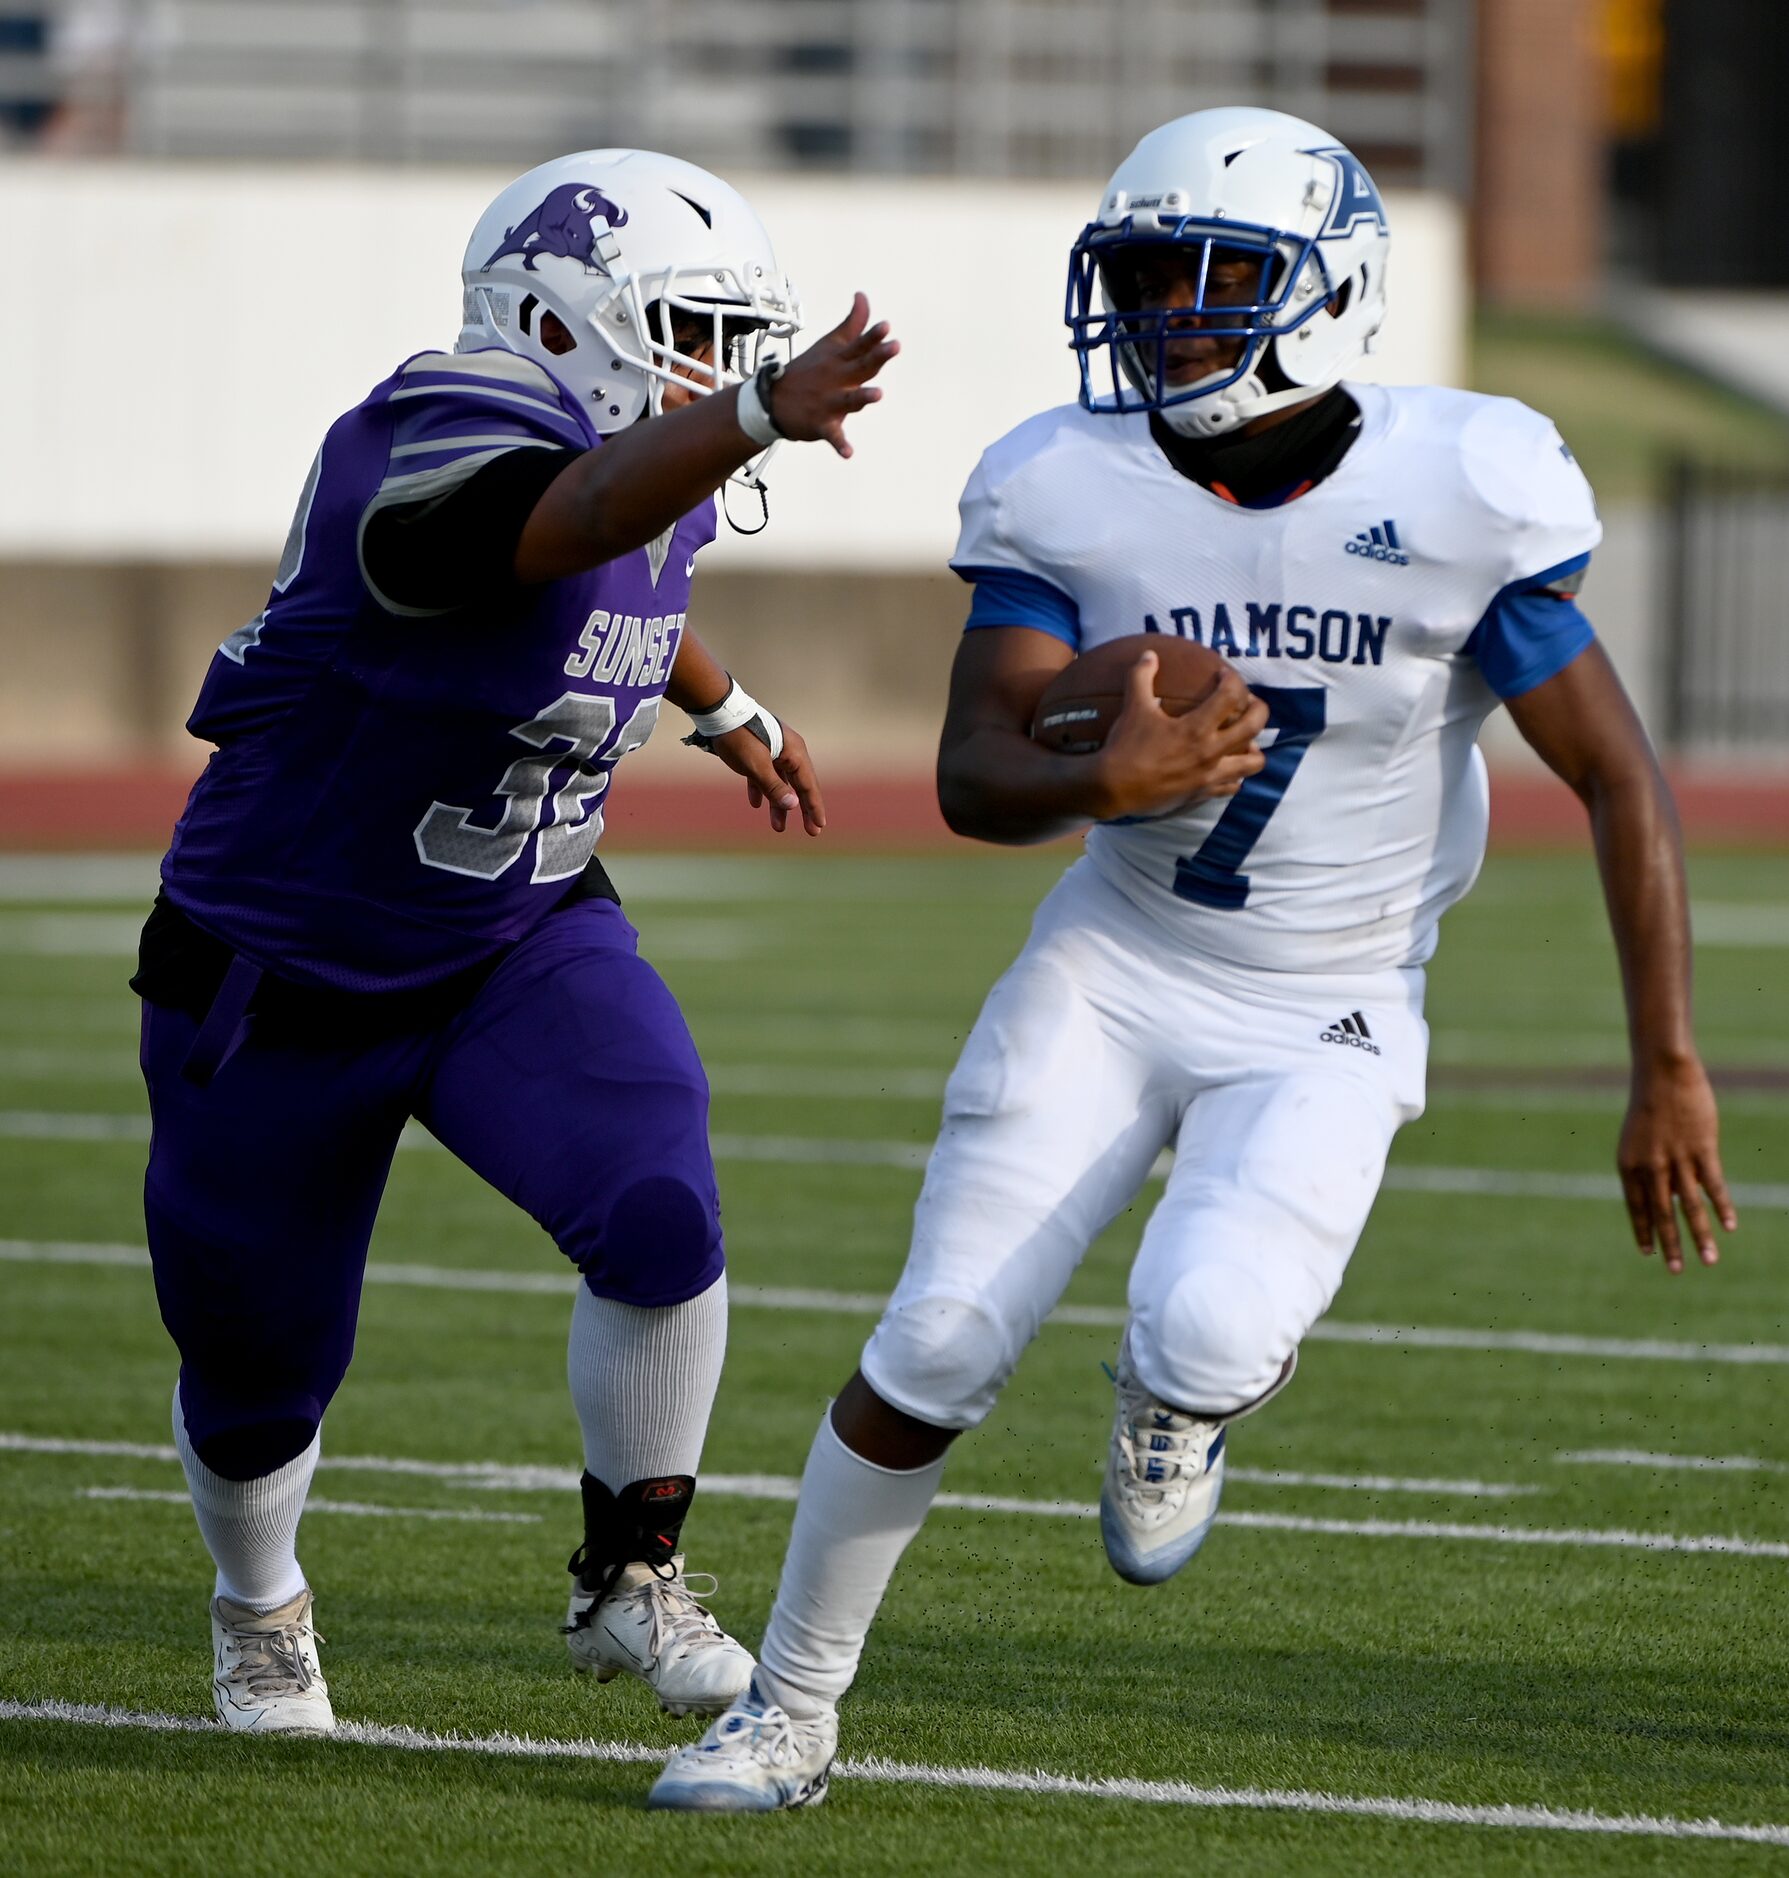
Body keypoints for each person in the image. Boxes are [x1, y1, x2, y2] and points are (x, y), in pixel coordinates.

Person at [649, 105, 1738, 1812]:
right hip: (1117, 957)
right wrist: (1104, 774)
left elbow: (1613, 772)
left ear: (1330, 289)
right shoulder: (1064, 481)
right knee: (933, 1339)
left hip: (1333, 995)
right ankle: (788, 1709)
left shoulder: (1461, 484)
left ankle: (1185, 1396)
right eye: (1143, 280)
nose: (1166, 317)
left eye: (1211, 279)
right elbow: (970, 776)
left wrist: (1664, 1059)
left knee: (1205, 1316)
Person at [130, 148, 897, 1734]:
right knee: (260, 1364)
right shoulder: (426, 434)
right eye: (688, 328)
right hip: (284, 962)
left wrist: (724, 704)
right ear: (552, 318)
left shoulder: (634, 459)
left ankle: (630, 1576)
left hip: (512, 933)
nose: (719, 375)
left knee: (657, 1197)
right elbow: (539, 529)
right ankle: (259, 1596)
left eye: (733, 347)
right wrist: (749, 418)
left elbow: (633, 563)